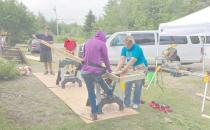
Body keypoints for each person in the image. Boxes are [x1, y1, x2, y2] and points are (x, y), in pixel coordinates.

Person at [81, 31, 113, 120]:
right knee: (99, 79)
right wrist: (109, 69)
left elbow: (83, 57)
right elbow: (106, 58)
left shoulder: (87, 42)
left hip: (85, 71)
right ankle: (109, 92)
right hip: (95, 71)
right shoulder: (102, 44)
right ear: (103, 37)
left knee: (91, 92)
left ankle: (94, 113)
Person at [115, 36, 148, 109]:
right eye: (125, 44)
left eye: (128, 45)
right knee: (128, 84)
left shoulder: (137, 48)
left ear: (131, 43)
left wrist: (124, 69)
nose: (127, 46)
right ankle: (127, 103)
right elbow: (122, 59)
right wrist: (117, 70)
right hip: (131, 67)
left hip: (140, 67)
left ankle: (136, 102)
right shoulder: (124, 48)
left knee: (138, 85)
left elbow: (133, 60)